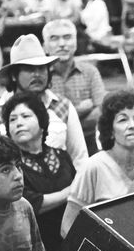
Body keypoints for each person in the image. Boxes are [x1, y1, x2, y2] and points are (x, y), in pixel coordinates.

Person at [62, 89, 134, 236]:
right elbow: (67, 227)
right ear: (110, 130)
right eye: (123, 119)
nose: (133, 125)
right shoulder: (94, 167)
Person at [0, 34, 88, 169]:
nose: (37, 74)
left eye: (42, 68)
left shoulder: (62, 106)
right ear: (13, 75)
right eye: (29, 69)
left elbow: (79, 158)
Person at [2, 91, 75, 251]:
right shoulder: (9, 165)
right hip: (34, 249)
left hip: (71, 241)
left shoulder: (62, 155)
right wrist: (71, 192)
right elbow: (31, 203)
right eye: (12, 120)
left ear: (42, 122)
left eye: (26, 116)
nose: (19, 123)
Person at [43, 19, 105, 153]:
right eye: (54, 39)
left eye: (67, 37)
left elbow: (101, 112)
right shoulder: (40, 78)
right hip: (51, 146)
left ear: (76, 43)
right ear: (45, 46)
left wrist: (61, 121)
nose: (62, 44)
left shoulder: (90, 72)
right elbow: (42, 120)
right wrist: (80, 110)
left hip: (89, 143)